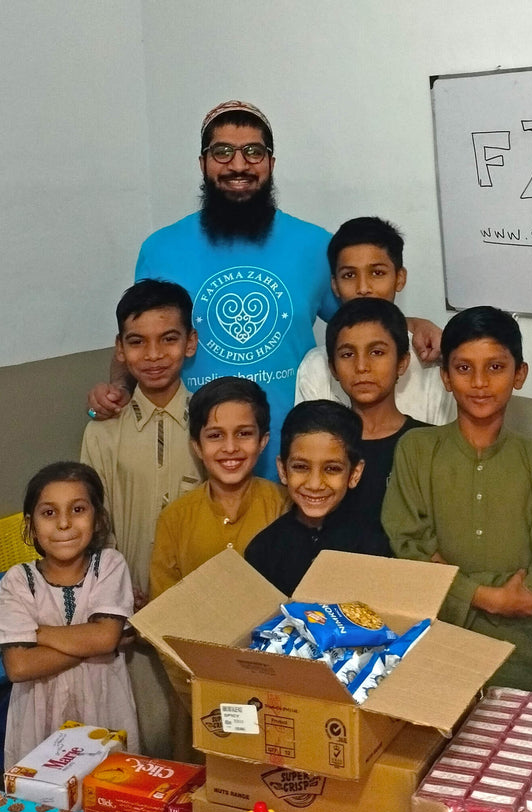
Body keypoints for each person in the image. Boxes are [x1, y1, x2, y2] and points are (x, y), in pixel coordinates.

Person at [86, 104, 442, 478]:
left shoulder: (315, 246)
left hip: (294, 462)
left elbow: (363, 320)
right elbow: (140, 339)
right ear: (203, 163)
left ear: (271, 163)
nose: (238, 165)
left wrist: (414, 323)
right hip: (192, 460)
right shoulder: (161, 249)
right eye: (222, 152)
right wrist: (116, 389)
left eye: (253, 152)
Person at [382, 306, 532, 693]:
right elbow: (407, 558)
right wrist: (490, 597)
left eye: (495, 367)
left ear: (519, 375)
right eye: (463, 368)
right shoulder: (417, 451)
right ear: (445, 377)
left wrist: (450, 583)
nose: (479, 382)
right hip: (435, 659)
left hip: (525, 662)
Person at [80, 279, 203, 756]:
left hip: (194, 613)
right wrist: (112, 594)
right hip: (126, 612)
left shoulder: (212, 423)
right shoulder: (102, 431)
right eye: (137, 341)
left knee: (196, 738)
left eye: (168, 339)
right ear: (120, 348)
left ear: (189, 343)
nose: (153, 354)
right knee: (139, 738)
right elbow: (92, 524)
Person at [0, 462, 140, 768]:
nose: (63, 524)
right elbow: (19, 666)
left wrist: (38, 633)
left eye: (78, 509)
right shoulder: (18, 581)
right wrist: (101, 641)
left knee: (111, 796)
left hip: (104, 713)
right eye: (49, 513)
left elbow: (104, 636)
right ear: (31, 525)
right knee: (41, 804)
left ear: (98, 519)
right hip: (37, 723)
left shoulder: (109, 565)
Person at [295, 216, 455, 425]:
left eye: (377, 273)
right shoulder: (317, 365)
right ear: (334, 285)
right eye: (349, 275)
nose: (363, 288)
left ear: (399, 278)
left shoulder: (431, 356)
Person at [149, 376, 285, 600]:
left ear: (263, 441)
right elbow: (162, 609)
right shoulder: (174, 519)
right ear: (197, 447)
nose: (230, 448)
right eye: (215, 436)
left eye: (244, 434)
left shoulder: (284, 506)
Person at [245, 400, 390, 594]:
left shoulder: (374, 547)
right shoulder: (263, 550)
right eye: (301, 467)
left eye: (332, 469)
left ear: (354, 473)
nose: (314, 484)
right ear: (282, 470)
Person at [324, 297, 427, 551]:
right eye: (347, 354)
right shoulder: (320, 445)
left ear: (402, 362)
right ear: (333, 368)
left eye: (377, 352)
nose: (362, 367)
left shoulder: (427, 443)